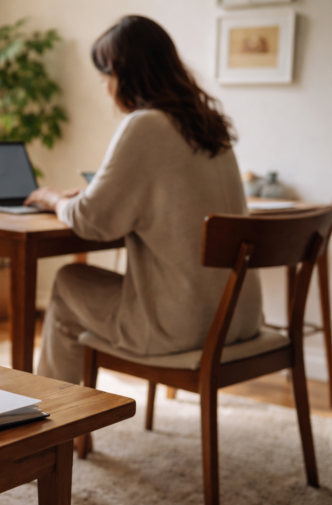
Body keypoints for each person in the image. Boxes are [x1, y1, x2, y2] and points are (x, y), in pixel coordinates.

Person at [25, 15, 263, 384]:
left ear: (126, 73)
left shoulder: (146, 125)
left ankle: (54, 430)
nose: (104, 87)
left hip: (180, 326)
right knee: (80, 286)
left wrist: (54, 198)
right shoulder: (211, 126)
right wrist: (92, 193)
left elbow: (92, 222)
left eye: (106, 75)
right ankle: (64, 423)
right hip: (238, 318)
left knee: (69, 282)